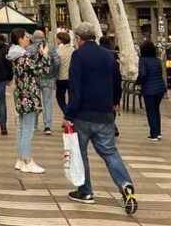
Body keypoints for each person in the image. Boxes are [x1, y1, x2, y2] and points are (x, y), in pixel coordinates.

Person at [64, 22, 137, 215]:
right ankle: (125, 184)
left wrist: (68, 114)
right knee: (110, 153)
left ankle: (85, 191)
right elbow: (117, 82)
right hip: (105, 114)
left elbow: (75, 89)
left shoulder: (78, 56)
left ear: (79, 39)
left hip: (83, 115)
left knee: (81, 153)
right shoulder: (108, 55)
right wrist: (115, 102)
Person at [7, 28, 53, 173]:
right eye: (27, 37)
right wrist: (45, 56)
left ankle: (20, 159)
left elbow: (32, 67)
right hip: (29, 94)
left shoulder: (17, 55)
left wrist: (39, 55)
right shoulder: (22, 57)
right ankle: (27, 160)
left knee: (22, 128)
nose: (29, 40)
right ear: (20, 39)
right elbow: (41, 70)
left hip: (21, 93)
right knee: (27, 129)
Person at [135, 40, 166, 141]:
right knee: (156, 110)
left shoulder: (143, 60)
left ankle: (153, 134)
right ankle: (158, 132)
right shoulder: (157, 60)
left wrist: (138, 82)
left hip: (149, 89)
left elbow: (142, 74)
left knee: (150, 111)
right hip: (160, 89)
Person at [33, 30, 60, 135]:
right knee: (47, 102)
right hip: (48, 78)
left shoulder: (30, 48)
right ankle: (47, 126)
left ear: (33, 38)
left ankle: (35, 124)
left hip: (35, 78)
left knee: (35, 101)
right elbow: (57, 62)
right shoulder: (51, 47)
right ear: (44, 37)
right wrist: (54, 75)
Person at [55, 29, 74, 121]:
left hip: (61, 77)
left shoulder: (57, 51)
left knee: (60, 97)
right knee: (71, 98)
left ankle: (67, 114)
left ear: (61, 40)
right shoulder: (73, 50)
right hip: (72, 78)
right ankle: (69, 115)